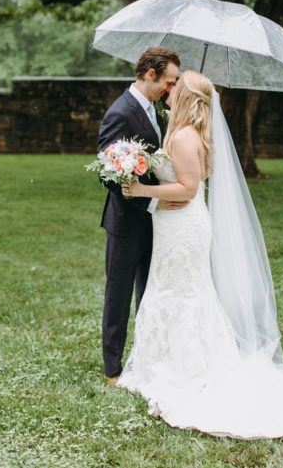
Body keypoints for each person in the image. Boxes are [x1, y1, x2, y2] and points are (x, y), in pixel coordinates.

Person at [118, 71, 283, 439]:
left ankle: (181, 369)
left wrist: (138, 191)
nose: (169, 89)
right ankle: (168, 360)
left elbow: (186, 188)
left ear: (186, 98)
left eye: (175, 86)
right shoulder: (191, 134)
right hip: (180, 223)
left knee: (181, 292)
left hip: (182, 226)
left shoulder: (183, 136)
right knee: (183, 290)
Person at [98, 46, 182, 385]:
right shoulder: (120, 112)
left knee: (150, 290)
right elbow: (107, 173)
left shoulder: (156, 109)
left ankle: (147, 356)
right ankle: (112, 368)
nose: (171, 88)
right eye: (170, 81)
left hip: (156, 221)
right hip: (126, 221)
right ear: (151, 74)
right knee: (118, 294)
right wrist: (147, 202)